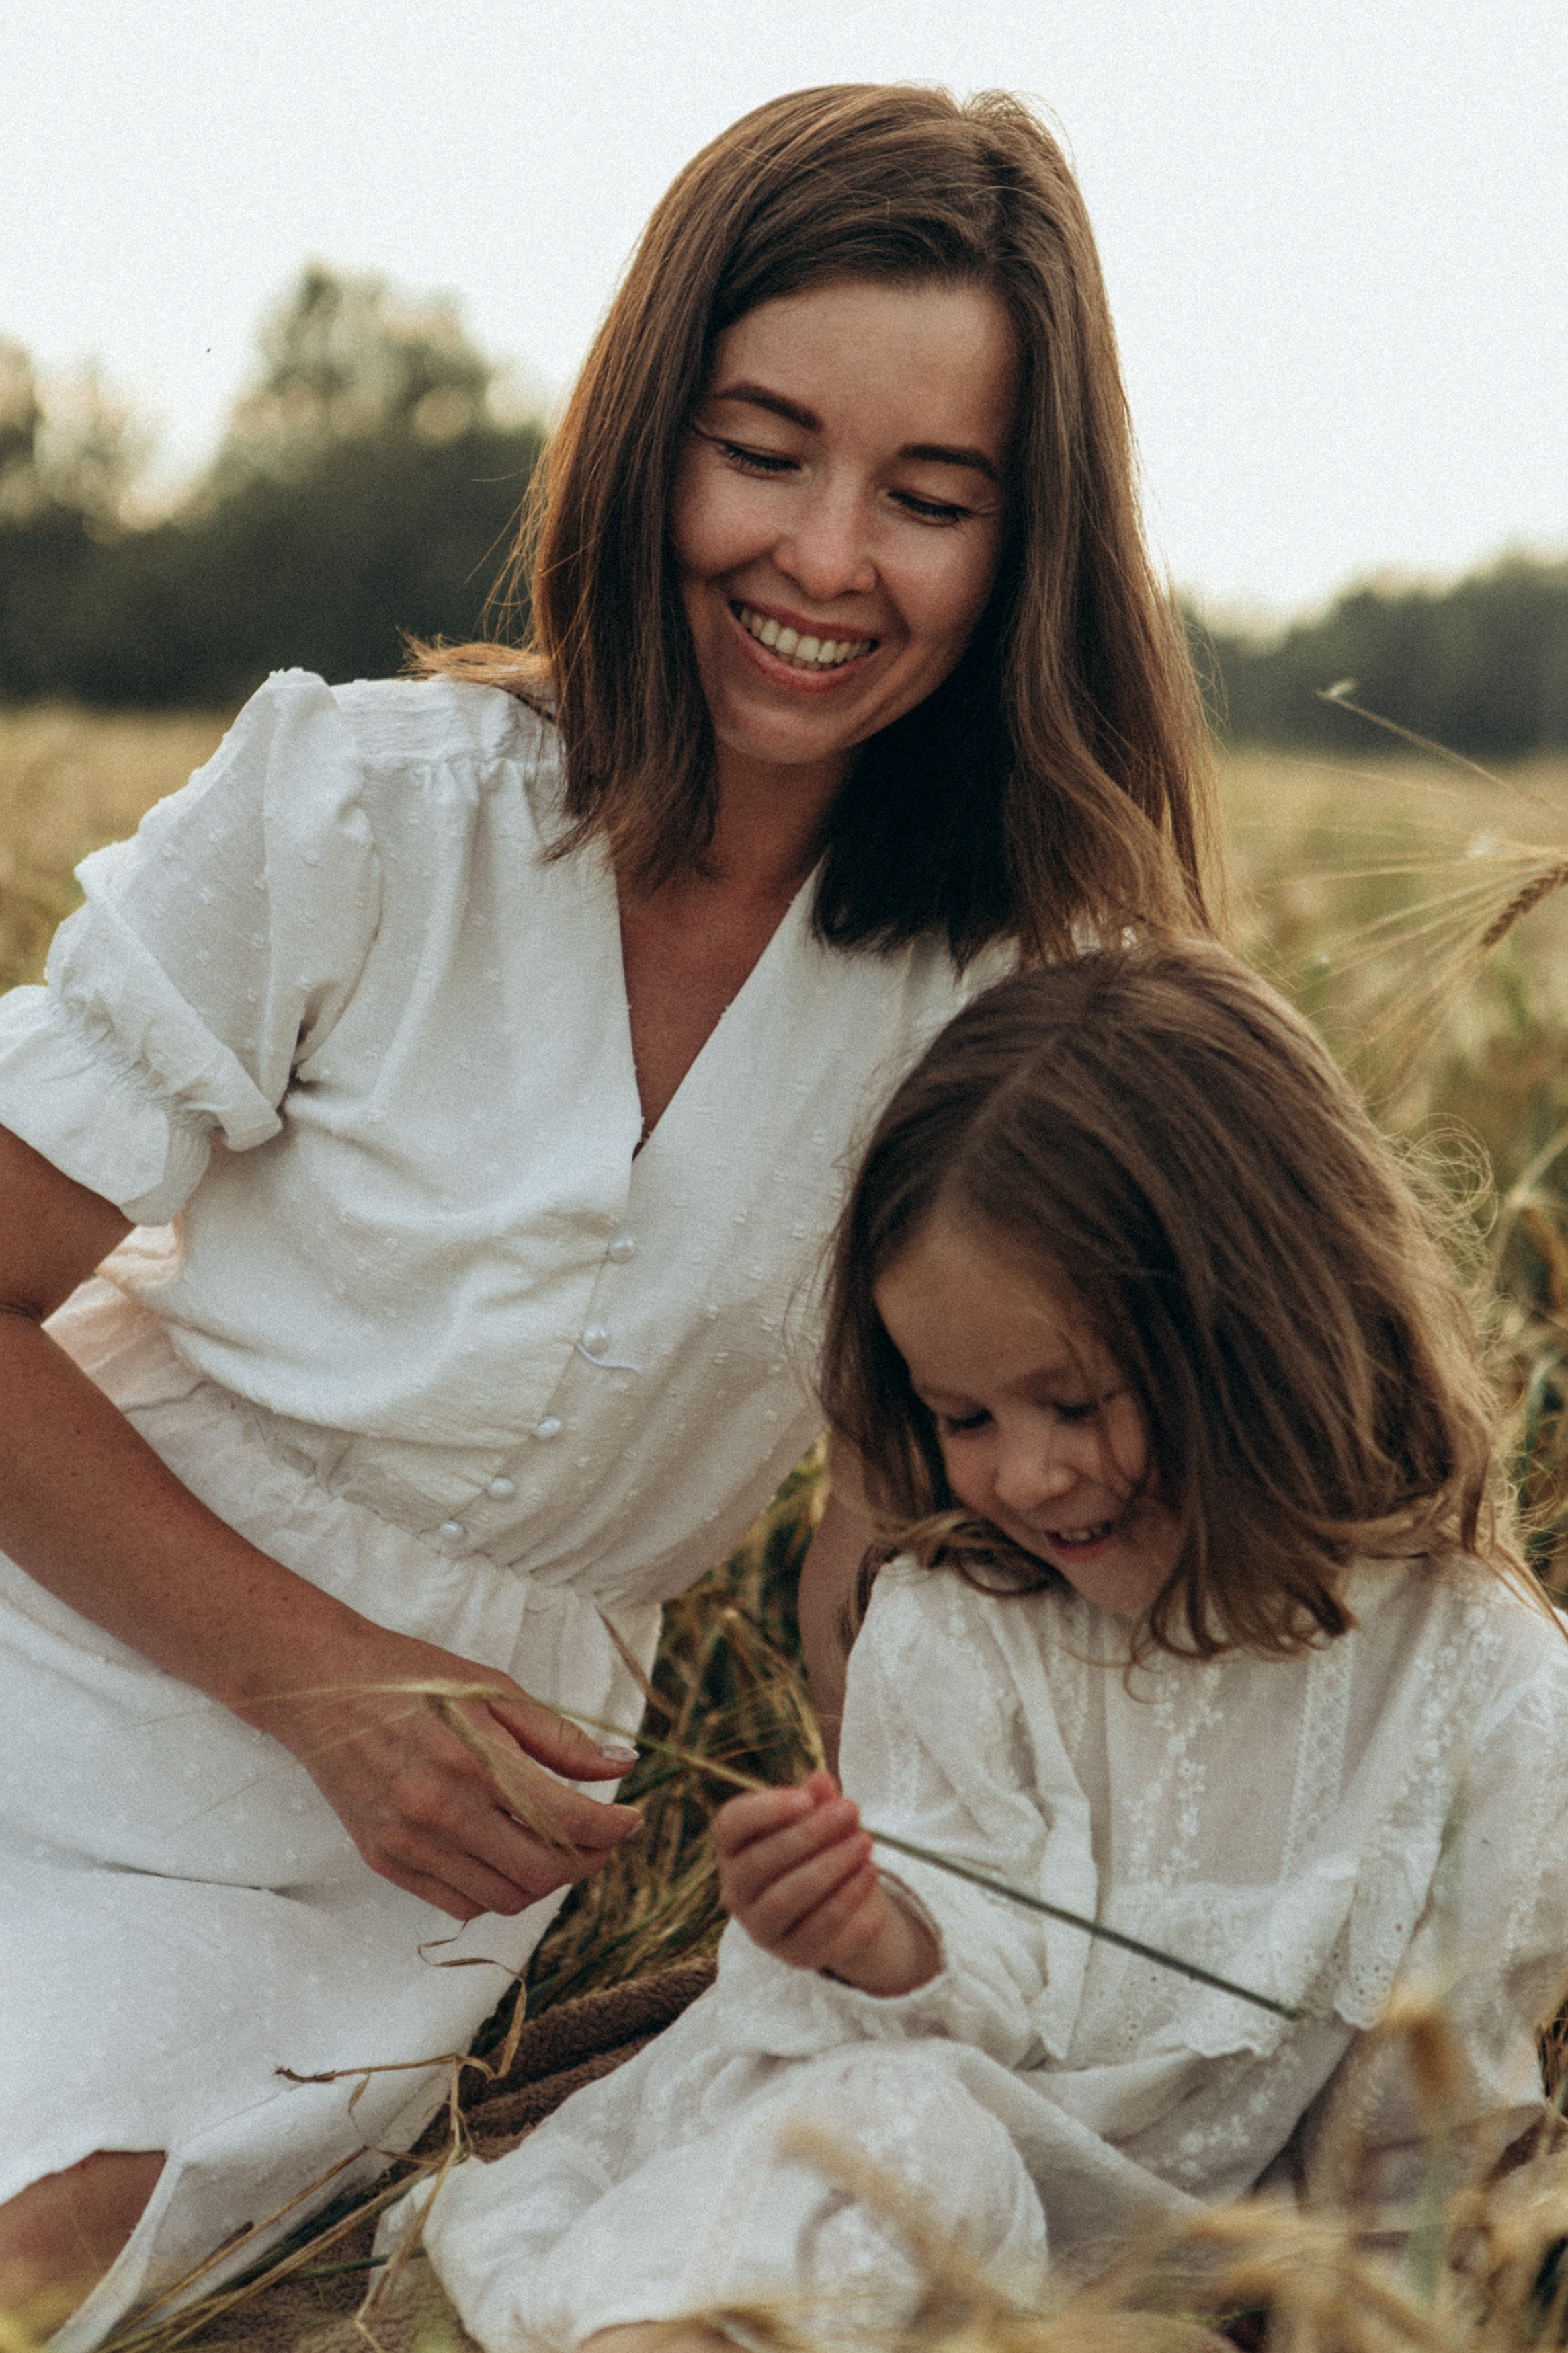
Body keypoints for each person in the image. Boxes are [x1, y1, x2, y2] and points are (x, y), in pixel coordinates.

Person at [0, 83, 1216, 2343]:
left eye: (930, 496)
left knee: (64, 2255)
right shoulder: (359, 808)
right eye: (763, 450)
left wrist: (919, 1905)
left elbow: (901, 1535)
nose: (829, 558)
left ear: (1025, 540)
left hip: (431, 1843)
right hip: (57, 1629)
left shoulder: (1011, 1000)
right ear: (646, 431)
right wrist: (318, 1677)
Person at [417, 943, 1568, 2352]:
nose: (1023, 1478)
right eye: (964, 1418)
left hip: (1186, 2254)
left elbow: (1425, 2131)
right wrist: (869, 1935)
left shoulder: (1490, 1685)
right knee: (895, 2139)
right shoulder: (967, 1621)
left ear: (1262, 1329)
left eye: (1073, 1401)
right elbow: (964, 1990)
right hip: (906, 2147)